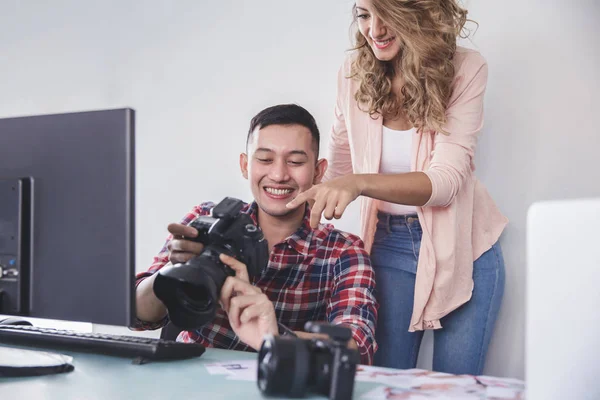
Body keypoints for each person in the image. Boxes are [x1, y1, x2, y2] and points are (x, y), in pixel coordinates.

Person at [286, 0, 507, 374]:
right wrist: (287, 205)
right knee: (383, 382)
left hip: (465, 247)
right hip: (389, 245)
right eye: (364, 15)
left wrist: (358, 184)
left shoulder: (465, 69)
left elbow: (446, 182)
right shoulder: (353, 73)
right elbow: (341, 160)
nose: (374, 29)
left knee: (454, 391)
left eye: (387, 13)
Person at [132, 104, 378, 365]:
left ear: (318, 171)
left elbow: (358, 348)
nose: (279, 175)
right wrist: (174, 269)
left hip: (280, 383)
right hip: (193, 376)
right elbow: (135, 315)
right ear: (245, 165)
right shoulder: (207, 219)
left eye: (295, 161)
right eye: (265, 159)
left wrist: (273, 336)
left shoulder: (342, 251)